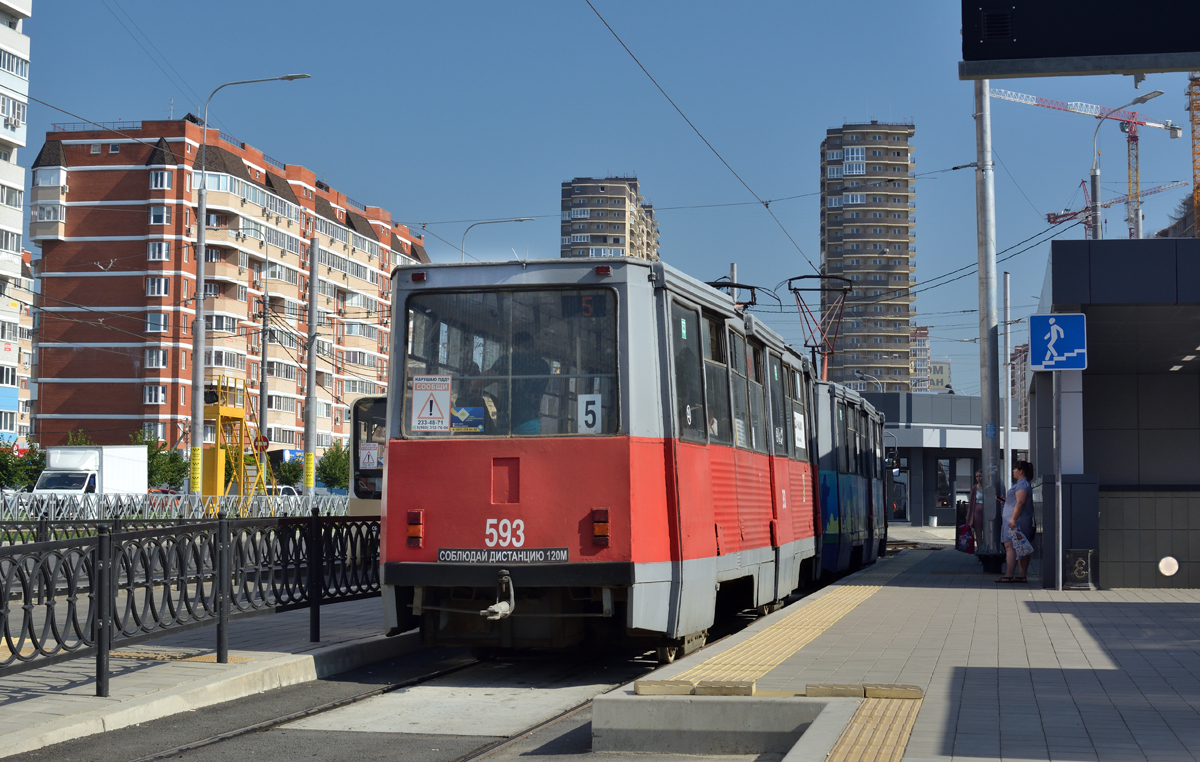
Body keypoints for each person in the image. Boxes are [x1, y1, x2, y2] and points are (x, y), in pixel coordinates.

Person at [489, 331, 550, 435]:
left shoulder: (506, 360)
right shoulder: (544, 365)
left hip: (506, 420)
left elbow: (484, 380)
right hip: (531, 421)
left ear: (514, 346)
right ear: (532, 346)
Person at [997, 460, 1034, 583]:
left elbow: (1020, 502)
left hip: (1016, 521)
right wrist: (1006, 502)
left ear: (1020, 471)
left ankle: (1008, 575)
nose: (1013, 471)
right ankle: (1021, 575)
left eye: (1015, 469)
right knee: (1021, 547)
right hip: (1017, 520)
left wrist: (1013, 519)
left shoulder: (1022, 485)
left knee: (1011, 546)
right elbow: (1016, 502)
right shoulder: (1022, 484)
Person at [967, 470, 985, 536]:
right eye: (977, 476)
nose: (978, 478)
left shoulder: (987, 487)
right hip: (977, 512)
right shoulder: (974, 488)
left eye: (980, 476)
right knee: (978, 531)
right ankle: (979, 546)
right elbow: (971, 502)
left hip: (987, 511)